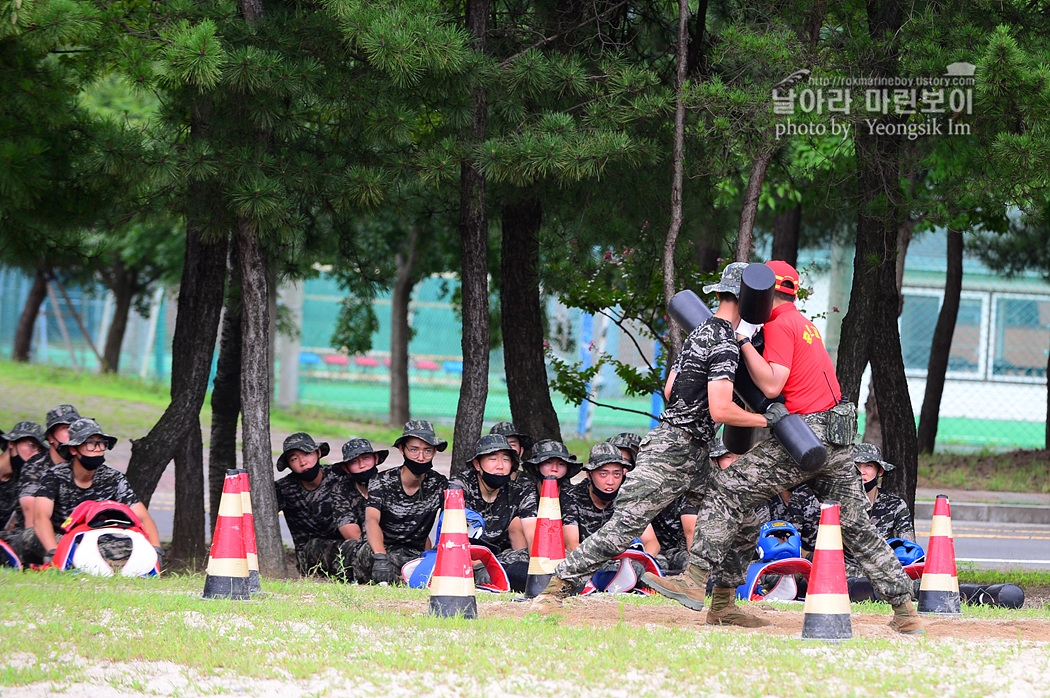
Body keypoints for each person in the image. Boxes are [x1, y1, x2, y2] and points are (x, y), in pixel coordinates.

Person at [648, 260, 924, 635]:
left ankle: (697, 581)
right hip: (837, 435)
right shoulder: (804, 323)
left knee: (728, 490)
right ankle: (905, 609)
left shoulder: (778, 324)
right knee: (857, 524)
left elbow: (773, 385)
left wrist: (742, 341)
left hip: (804, 432)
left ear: (760, 294)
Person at [532, 262, 776, 627]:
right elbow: (721, 408)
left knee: (746, 513)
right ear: (749, 300)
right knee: (624, 527)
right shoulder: (725, 341)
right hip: (672, 452)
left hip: (691, 451)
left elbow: (669, 389)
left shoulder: (700, 331)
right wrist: (768, 420)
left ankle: (723, 605)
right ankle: (555, 589)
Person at [32, 418, 161, 566]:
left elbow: (143, 517)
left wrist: (156, 550)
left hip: (99, 539)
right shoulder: (54, 476)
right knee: (30, 537)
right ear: (73, 449)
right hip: (61, 537)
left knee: (126, 546)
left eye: (101, 443)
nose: (98, 448)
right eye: (91, 443)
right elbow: (41, 517)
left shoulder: (114, 478)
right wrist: (55, 552)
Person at [355, 420, 449, 584]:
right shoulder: (382, 481)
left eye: (427, 451)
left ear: (434, 452)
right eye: (414, 450)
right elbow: (372, 520)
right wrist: (379, 557)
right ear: (402, 449)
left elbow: (452, 522)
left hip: (414, 553)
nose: (420, 457)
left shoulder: (439, 484)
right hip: (378, 549)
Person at [274, 432, 360, 579]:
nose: (302, 462)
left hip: (349, 548)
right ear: (289, 465)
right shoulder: (284, 489)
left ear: (318, 453)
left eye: (307, 454)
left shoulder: (339, 476)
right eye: (294, 459)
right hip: (311, 560)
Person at [453, 434, 530, 590]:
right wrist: (477, 565)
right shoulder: (460, 486)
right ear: (477, 464)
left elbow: (533, 532)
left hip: (499, 558)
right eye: (493, 459)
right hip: (461, 556)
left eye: (506, 459)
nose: (500, 466)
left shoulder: (519, 491)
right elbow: (453, 535)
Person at [564, 442, 660, 556]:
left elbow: (652, 542)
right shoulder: (572, 497)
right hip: (584, 560)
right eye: (603, 474)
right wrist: (602, 563)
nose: (610, 482)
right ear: (589, 474)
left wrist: (640, 561)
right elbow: (571, 544)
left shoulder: (629, 497)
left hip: (623, 559)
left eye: (617, 475)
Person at [846, 443, 915, 576]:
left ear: (880, 471)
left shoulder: (895, 505)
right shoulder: (837, 502)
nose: (861, 471)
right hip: (842, 573)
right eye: (856, 465)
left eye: (868, 466)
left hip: (882, 573)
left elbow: (909, 550)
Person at [18, 406, 81, 530]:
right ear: (51, 437)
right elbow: (32, 515)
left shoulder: (85, 462)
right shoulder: (35, 466)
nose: (72, 433)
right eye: (66, 428)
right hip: (39, 535)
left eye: (75, 427)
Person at [516, 439, 582, 553]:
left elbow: (571, 541)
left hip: (562, 553)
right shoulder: (526, 493)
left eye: (561, 464)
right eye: (548, 463)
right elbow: (532, 539)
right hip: (530, 552)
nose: (554, 469)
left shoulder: (570, 495)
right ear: (537, 466)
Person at [332, 437, 389, 531]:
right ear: (346, 468)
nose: (362, 465)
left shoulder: (391, 485)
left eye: (366, 458)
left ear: (376, 459)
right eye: (354, 461)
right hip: (361, 543)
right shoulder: (341, 490)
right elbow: (351, 533)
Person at [6, 421, 47, 534]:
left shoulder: (28, 478)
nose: (35, 454)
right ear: (11, 443)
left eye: (39, 449)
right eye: (31, 445)